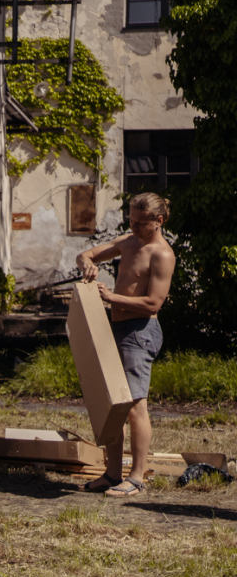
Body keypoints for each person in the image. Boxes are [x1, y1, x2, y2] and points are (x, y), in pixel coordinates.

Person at [76, 192, 176, 497]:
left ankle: (136, 477)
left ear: (158, 221)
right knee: (113, 405)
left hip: (140, 331)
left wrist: (111, 297)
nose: (133, 226)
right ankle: (112, 473)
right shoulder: (129, 241)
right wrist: (87, 266)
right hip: (115, 328)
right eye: (130, 219)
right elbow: (86, 255)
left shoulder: (162, 254)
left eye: (140, 222)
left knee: (134, 406)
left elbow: (153, 304)